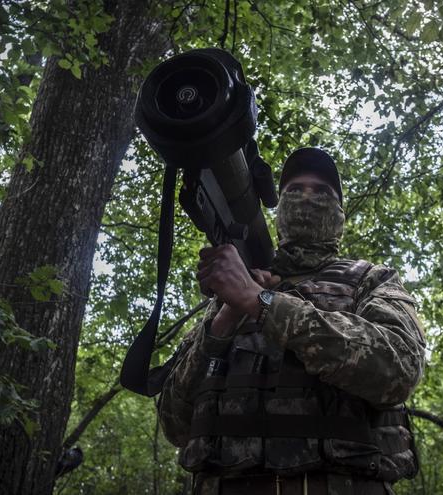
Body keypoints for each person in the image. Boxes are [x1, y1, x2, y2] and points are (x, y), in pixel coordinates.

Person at [157, 147, 426, 495]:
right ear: (278, 208)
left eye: (321, 191)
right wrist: (229, 314)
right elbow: (175, 425)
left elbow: (399, 367)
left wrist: (263, 304)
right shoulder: (234, 294)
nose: (306, 197)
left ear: (339, 213)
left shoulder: (371, 280)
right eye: (294, 190)